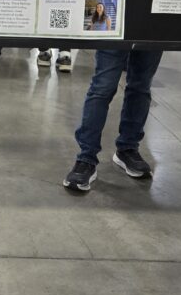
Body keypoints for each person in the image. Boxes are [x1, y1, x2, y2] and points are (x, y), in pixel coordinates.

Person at [62, 48, 163, 191]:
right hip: (114, 29)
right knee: (102, 88)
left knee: (141, 88)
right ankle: (86, 157)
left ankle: (128, 148)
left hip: (153, 30)